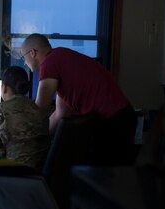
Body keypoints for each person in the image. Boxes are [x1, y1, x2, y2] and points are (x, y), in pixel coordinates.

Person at [20, 33, 137, 166]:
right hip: (122, 117)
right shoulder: (62, 58)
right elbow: (60, 113)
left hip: (114, 121)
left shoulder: (49, 63)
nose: (24, 62)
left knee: (109, 181)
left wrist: (24, 136)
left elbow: (40, 109)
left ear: (33, 53)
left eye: (24, 57)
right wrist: (39, 137)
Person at [0, 66, 50, 170]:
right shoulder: (37, 108)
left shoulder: (0, 109)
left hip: (12, 172)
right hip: (38, 172)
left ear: (4, 87)